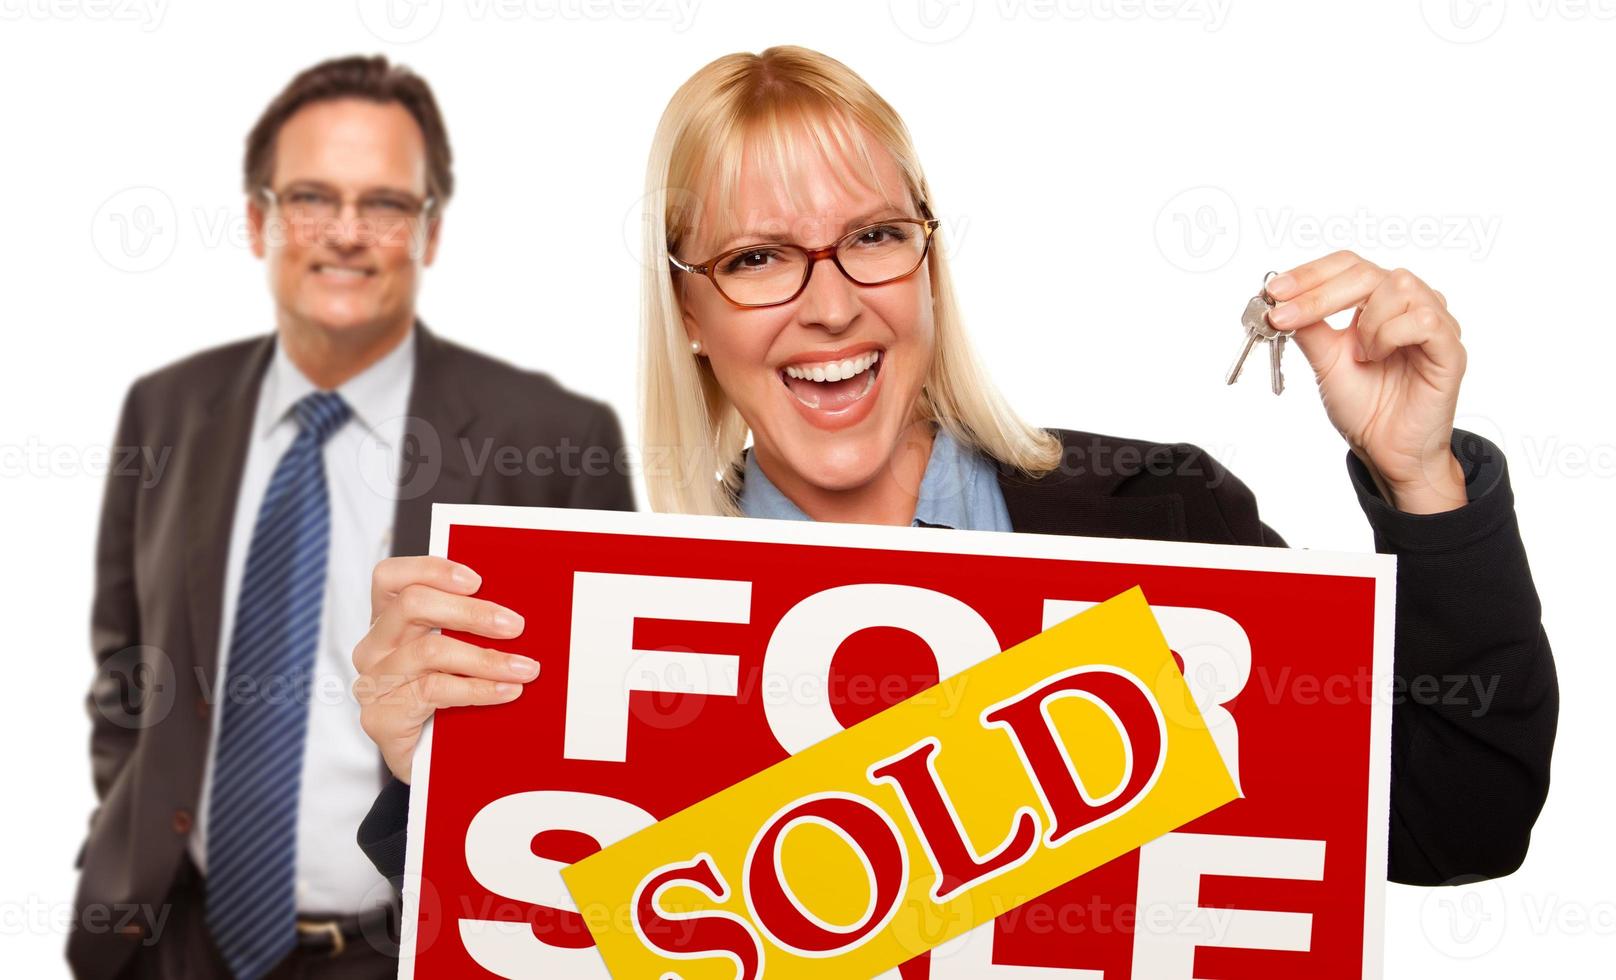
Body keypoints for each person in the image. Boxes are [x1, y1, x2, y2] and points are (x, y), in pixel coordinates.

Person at [352, 46, 1556, 899]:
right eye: (758, 256)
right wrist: (434, 777)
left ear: (926, 262)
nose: (830, 305)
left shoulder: (1162, 521)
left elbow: (1463, 813)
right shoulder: (586, 642)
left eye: (874, 237)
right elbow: (549, 933)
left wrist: (1419, 476)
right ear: (690, 313)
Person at [71, 55, 632, 980]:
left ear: (430, 232)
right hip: (174, 942)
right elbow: (127, 666)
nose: (345, 233)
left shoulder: (555, 438)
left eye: (384, 203)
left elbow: (599, 744)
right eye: (310, 198)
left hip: (412, 944)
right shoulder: (166, 408)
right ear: (257, 220)